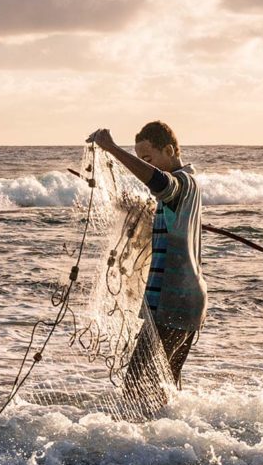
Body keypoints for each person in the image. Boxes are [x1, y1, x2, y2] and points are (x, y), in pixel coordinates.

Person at [87, 122, 207, 412]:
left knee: (136, 384)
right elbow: (162, 202)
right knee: (168, 385)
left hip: (174, 302)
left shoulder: (182, 183)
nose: (143, 166)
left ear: (169, 150)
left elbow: (163, 185)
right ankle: (176, 444)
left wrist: (113, 150)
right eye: (140, 159)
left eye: (147, 159)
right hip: (186, 301)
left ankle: (139, 449)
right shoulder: (183, 192)